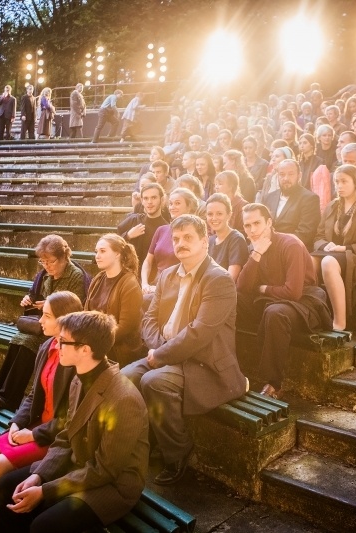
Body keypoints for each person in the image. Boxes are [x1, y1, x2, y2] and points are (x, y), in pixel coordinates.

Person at [0, 311, 149, 532]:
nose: (56, 345)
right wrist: (39, 475)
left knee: (43, 526)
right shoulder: (79, 377)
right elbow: (66, 435)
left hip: (113, 484)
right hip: (79, 464)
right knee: (3, 488)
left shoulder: (124, 399)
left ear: (85, 349)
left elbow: (104, 470)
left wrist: (45, 491)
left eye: (63, 341)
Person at [122, 215, 246, 485]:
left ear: (205, 242)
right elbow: (149, 319)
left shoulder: (219, 279)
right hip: (166, 352)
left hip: (202, 362)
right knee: (125, 377)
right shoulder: (167, 275)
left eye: (188, 238)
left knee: (154, 382)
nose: (181, 243)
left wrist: (161, 355)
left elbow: (199, 333)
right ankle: (144, 443)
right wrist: (159, 349)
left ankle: (177, 452)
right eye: (176, 239)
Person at [0, 291, 83, 531]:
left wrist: (32, 435)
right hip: (33, 426)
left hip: (52, 435)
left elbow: (69, 420)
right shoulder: (46, 346)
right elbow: (33, 394)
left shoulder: (74, 358)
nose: (40, 321)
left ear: (64, 320)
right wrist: (16, 423)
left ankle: (3, 528)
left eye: (46, 316)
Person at [0, 235, 87, 410]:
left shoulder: (75, 275)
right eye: (43, 262)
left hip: (61, 329)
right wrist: (29, 299)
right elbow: (35, 295)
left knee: (28, 342)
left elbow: (76, 308)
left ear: (63, 257)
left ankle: (9, 398)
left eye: (50, 262)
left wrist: (50, 306)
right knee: (18, 338)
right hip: (44, 323)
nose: (47, 266)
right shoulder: (45, 276)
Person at [237, 203, 331, 399]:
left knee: (275, 313)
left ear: (269, 222)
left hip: (304, 303)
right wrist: (256, 254)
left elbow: (293, 292)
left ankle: (273, 384)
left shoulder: (290, 244)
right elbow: (242, 288)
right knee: (232, 299)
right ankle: (228, 367)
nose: (252, 230)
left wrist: (263, 289)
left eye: (257, 223)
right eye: (247, 225)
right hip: (271, 302)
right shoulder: (253, 249)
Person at [312, 165, 356, 331]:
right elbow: (318, 237)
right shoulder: (332, 206)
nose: (339, 186)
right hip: (332, 253)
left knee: (328, 262)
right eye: (337, 181)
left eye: (344, 181)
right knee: (308, 260)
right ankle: (313, 314)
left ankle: (339, 322)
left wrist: (344, 249)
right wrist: (325, 245)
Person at [85, 234, 143, 367]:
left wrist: (94, 342)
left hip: (119, 350)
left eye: (103, 251)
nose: (97, 256)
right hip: (97, 343)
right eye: (96, 251)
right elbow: (86, 314)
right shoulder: (98, 278)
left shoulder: (130, 283)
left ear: (117, 253)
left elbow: (125, 328)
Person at [141, 188, 200, 295]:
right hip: (155, 286)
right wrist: (145, 284)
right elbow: (148, 261)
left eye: (177, 203)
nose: (172, 207)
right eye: (171, 204)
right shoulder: (161, 230)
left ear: (189, 207)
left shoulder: (195, 234)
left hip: (178, 290)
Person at [260, 159, 321, 247]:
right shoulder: (268, 197)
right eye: (282, 174)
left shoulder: (310, 199)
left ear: (299, 175)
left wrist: (276, 245)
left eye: (291, 174)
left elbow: (305, 234)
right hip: (267, 246)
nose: (286, 178)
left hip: (293, 248)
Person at [117, 183, 169, 265]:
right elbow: (113, 245)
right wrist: (128, 236)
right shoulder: (133, 220)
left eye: (154, 197)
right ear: (142, 201)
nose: (149, 202)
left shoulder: (166, 229)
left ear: (162, 200)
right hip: (130, 274)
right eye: (146, 198)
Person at [206, 193, 249, 281]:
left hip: (226, 291)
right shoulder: (210, 240)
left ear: (229, 215)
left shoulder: (236, 239)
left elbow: (230, 278)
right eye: (210, 214)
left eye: (219, 214)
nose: (214, 218)